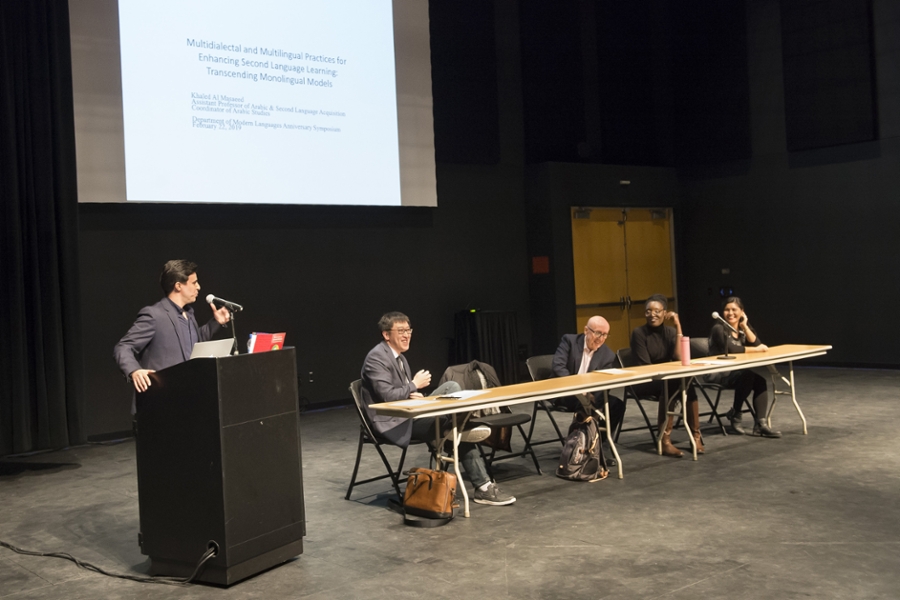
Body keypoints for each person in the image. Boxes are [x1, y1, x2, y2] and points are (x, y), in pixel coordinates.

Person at [360, 312, 515, 506]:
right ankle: (482, 485)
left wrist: (415, 395)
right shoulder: (376, 358)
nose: (406, 335)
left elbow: (399, 392)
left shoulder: (399, 358)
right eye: (401, 331)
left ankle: (457, 424)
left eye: (408, 330)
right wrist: (414, 385)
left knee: (452, 388)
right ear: (386, 334)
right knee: (453, 426)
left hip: (409, 410)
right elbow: (386, 396)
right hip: (393, 421)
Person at [114, 260, 231, 399]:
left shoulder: (189, 315)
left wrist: (215, 323)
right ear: (178, 286)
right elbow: (123, 347)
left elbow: (193, 343)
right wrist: (134, 370)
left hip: (185, 399)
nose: (198, 287)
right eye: (194, 283)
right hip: (159, 402)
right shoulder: (154, 315)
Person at [630, 294, 702, 457]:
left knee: (688, 381)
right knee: (674, 383)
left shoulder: (670, 332)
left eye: (656, 311)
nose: (652, 315)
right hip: (645, 380)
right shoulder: (639, 333)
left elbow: (678, 357)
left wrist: (678, 326)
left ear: (665, 313)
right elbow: (644, 366)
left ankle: (696, 437)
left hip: (666, 379)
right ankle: (664, 440)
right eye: (648, 311)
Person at [551, 316, 626, 463]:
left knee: (616, 405)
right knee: (586, 404)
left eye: (605, 335)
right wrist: (578, 389)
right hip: (566, 392)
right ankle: (579, 448)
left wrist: (591, 394)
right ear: (586, 330)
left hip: (591, 395)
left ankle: (598, 447)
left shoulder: (607, 354)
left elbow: (605, 381)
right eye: (598, 333)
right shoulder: (570, 341)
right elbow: (558, 367)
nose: (601, 338)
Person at [707, 296, 781, 438]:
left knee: (759, 381)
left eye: (734, 310)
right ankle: (736, 414)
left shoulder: (741, 327)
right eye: (727, 310)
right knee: (747, 376)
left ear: (742, 312)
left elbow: (756, 343)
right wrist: (757, 350)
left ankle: (760, 424)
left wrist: (745, 326)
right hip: (717, 372)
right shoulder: (719, 328)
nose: (730, 313)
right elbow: (733, 349)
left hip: (736, 372)